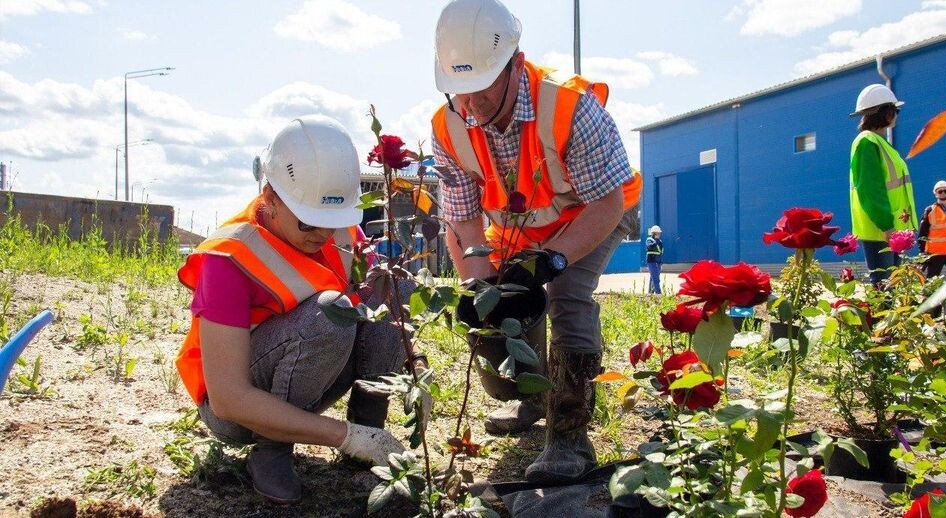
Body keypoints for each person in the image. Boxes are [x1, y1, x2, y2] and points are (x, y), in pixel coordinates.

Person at [431, 0, 642, 483]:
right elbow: (462, 221)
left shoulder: (570, 109)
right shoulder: (448, 127)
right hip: (520, 229)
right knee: (502, 305)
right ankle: (531, 399)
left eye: (481, 85)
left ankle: (569, 435)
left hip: (595, 213)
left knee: (567, 296)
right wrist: (482, 293)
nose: (470, 104)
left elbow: (605, 206)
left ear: (515, 63)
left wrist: (556, 258)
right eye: (457, 89)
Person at [175, 116, 423, 504]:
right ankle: (272, 450)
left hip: (311, 374)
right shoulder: (227, 259)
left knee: (394, 284)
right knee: (329, 313)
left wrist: (416, 364)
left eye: (335, 220)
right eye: (310, 222)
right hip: (237, 412)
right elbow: (228, 398)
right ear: (271, 197)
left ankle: (370, 426)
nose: (324, 234)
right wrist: (345, 437)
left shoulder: (333, 228)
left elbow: (383, 299)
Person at [849, 84, 918, 286]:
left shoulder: (879, 142)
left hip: (891, 228)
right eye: (895, 110)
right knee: (883, 287)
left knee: (892, 286)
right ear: (885, 112)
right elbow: (870, 188)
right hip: (881, 229)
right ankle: (878, 320)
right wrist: (886, 225)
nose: (897, 114)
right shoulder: (867, 142)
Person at [919, 180, 946, 279]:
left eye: (945, 191)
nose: (942, 193)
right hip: (935, 253)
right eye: (939, 191)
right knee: (931, 281)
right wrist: (922, 252)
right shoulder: (929, 210)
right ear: (935, 193)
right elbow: (922, 233)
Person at [646, 225, 664, 294]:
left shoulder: (660, 241)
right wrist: (655, 241)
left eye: (659, 233)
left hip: (658, 262)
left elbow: (661, 252)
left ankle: (650, 293)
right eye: (658, 233)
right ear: (654, 233)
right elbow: (650, 247)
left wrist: (660, 262)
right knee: (656, 278)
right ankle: (658, 293)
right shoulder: (649, 240)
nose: (659, 234)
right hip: (651, 261)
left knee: (652, 278)